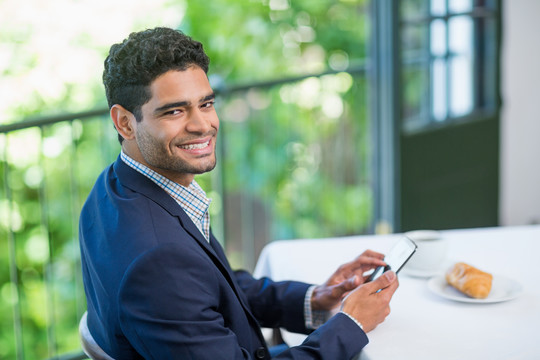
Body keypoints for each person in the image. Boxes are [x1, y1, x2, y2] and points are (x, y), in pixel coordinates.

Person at [79, 27, 399, 360]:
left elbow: (209, 284)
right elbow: (175, 281)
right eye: (174, 111)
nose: (202, 124)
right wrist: (351, 324)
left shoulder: (113, 186)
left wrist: (315, 298)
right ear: (125, 123)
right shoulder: (158, 260)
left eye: (206, 104)